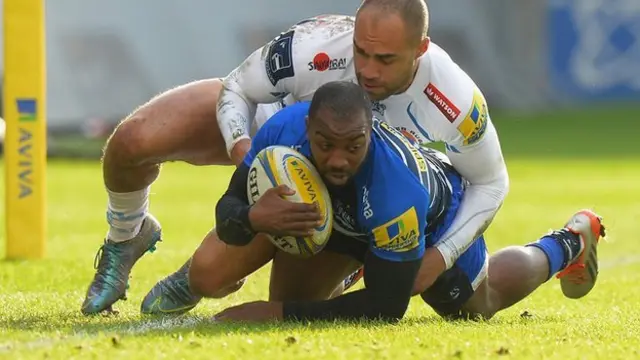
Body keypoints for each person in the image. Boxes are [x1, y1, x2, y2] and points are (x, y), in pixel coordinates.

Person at [82, 0, 511, 315]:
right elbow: (237, 89)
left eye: (385, 59)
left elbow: (490, 182)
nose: (367, 70)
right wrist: (244, 152)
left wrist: (442, 256)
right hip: (279, 128)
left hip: (347, 188)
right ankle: (126, 237)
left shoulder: (454, 99)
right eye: (362, 51)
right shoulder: (316, 45)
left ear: (420, 49)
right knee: (134, 140)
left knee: (266, 296)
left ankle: (346, 265)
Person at [171, 81, 605, 323]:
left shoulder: (396, 193)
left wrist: (276, 313)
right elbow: (228, 208)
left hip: (432, 217)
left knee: (477, 306)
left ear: (369, 134)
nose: (337, 160)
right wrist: (251, 215)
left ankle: (566, 244)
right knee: (248, 283)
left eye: (353, 146)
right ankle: (366, 258)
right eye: (324, 145)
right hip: (351, 219)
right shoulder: (282, 130)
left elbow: (385, 309)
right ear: (306, 126)